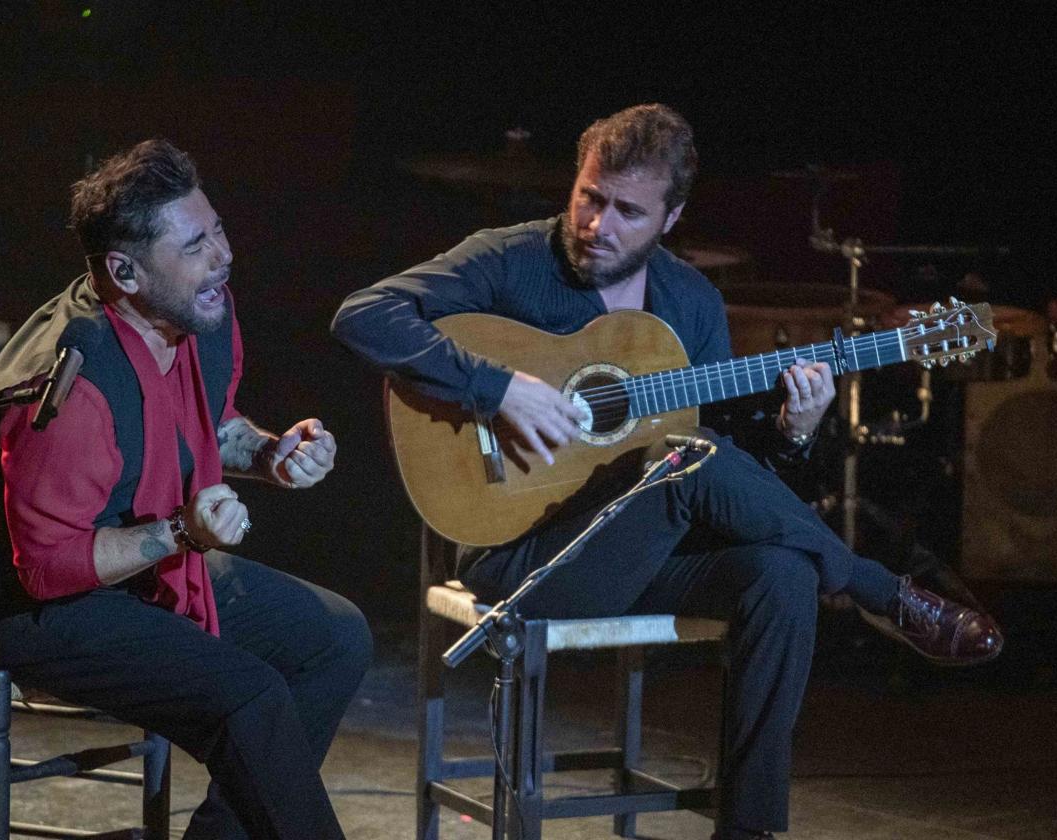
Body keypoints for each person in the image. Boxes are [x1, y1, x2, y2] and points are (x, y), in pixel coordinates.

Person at [332, 104, 1002, 839]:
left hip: (641, 553)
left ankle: (746, 829)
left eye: (626, 211)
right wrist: (498, 388)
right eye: (589, 197)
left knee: (781, 572)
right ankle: (883, 591)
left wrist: (793, 432)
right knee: (686, 461)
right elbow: (365, 315)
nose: (598, 224)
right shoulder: (508, 259)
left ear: (670, 218)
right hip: (526, 561)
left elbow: (728, 472)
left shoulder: (689, 300)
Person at [0, 139, 371, 840]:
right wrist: (182, 533)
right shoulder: (70, 386)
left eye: (218, 230)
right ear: (125, 271)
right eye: (196, 243)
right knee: (249, 698)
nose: (222, 255)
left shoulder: (198, 310)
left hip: (139, 562)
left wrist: (269, 454)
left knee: (335, 637)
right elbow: (49, 568)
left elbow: (207, 420)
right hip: (29, 606)